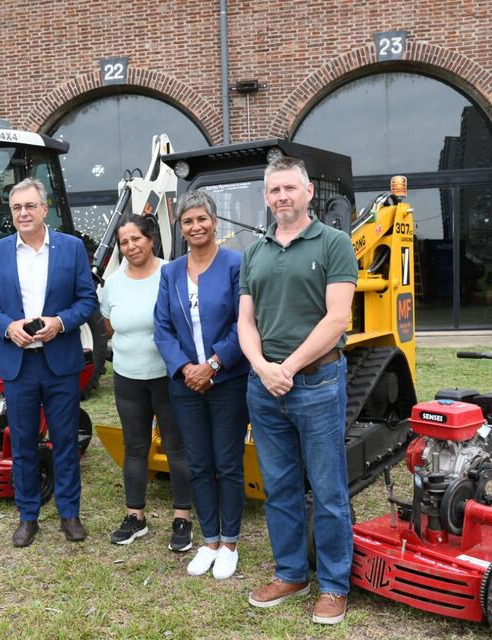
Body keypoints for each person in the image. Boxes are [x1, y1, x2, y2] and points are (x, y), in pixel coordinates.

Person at [239, 157, 357, 624]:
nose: (282, 197)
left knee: (328, 490)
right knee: (280, 487)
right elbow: (245, 321)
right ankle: (291, 573)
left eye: (290, 188)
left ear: (308, 192)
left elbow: (337, 319)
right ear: (266, 198)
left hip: (318, 384)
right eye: (274, 191)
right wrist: (261, 367)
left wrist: (284, 368)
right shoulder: (255, 251)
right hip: (263, 387)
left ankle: (333, 584)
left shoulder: (334, 244)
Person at [0, 177, 97, 548]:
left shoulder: (71, 248)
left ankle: (69, 513)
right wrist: (7, 327)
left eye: (30, 206)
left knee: (64, 442)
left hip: (60, 361)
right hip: (19, 365)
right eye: (16, 208)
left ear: (45, 209)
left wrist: (59, 323)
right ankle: (28, 516)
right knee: (23, 442)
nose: (23, 213)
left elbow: (87, 299)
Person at [153, 190, 249, 580]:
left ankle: (230, 542)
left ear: (215, 222)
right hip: (185, 385)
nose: (196, 227)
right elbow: (161, 328)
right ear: (181, 227)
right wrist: (185, 368)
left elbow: (244, 324)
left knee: (226, 463)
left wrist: (212, 364)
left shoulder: (236, 265)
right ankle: (209, 540)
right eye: (188, 221)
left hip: (226, 381)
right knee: (199, 463)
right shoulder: (170, 272)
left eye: (202, 219)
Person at [100, 214, 193, 551]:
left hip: (168, 377)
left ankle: (182, 518)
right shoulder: (112, 284)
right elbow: (111, 326)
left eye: (136, 239)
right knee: (135, 447)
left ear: (151, 239)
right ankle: (135, 516)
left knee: (176, 447)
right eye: (124, 242)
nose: (130, 246)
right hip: (128, 379)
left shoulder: (172, 273)